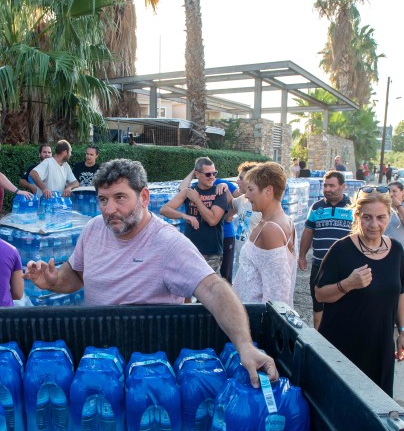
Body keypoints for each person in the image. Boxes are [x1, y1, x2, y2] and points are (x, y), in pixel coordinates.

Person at [23, 158, 278, 387]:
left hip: (150, 373)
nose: (109, 209)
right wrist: (55, 280)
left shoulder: (167, 243)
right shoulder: (93, 229)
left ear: (144, 197)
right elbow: (76, 274)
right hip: (99, 366)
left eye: (120, 197)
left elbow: (213, 287)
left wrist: (244, 345)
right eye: (103, 199)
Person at [314, 188, 404, 396]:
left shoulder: (396, 251)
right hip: (343, 345)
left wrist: (402, 332)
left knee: (378, 406)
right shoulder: (341, 250)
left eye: (380, 217)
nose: (374, 225)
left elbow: (400, 293)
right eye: (367, 217)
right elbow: (320, 294)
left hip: (380, 345)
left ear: (389, 217)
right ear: (357, 216)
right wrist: (347, 284)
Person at [233, 162, 297, 305]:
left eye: (251, 189)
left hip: (255, 322)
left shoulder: (271, 229)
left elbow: (278, 296)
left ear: (268, 190)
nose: (247, 195)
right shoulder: (282, 221)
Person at [298, 171, 353, 329]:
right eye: (325, 186)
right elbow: (308, 232)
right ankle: (320, 340)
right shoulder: (316, 208)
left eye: (332, 186)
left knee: (345, 305)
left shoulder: (353, 207)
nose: (327, 189)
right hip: (320, 266)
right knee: (318, 303)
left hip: (346, 268)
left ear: (343, 186)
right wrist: (302, 256)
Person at [160, 157, 231, 275]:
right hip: (190, 249)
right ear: (197, 174)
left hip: (211, 252)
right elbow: (164, 210)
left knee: (210, 289)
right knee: (188, 287)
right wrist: (184, 216)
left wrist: (197, 200)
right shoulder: (189, 191)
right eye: (208, 174)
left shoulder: (219, 192)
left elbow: (213, 220)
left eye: (214, 173)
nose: (212, 177)